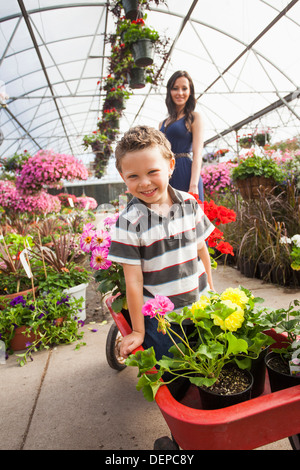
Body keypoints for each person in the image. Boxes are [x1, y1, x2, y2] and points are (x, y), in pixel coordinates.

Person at [107, 126, 214, 363]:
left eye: (152, 171)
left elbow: (200, 249)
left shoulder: (189, 203)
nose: (144, 183)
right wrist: (137, 331)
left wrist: (211, 292)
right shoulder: (129, 223)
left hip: (200, 306)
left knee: (210, 362)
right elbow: (133, 281)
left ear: (171, 166)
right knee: (174, 370)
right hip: (163, 320)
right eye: (133, 176)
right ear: (123, 176)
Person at [159, 70, 204, 201]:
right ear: (170, 91)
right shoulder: (162, 123)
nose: (180, 93)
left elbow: (197, 154)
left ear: (190, 92)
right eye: (175, 88)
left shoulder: (194, 117)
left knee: (191, 218)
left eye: (184, 88)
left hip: (186, 173)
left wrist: (194, 185)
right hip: (167, 174)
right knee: (169, 217)